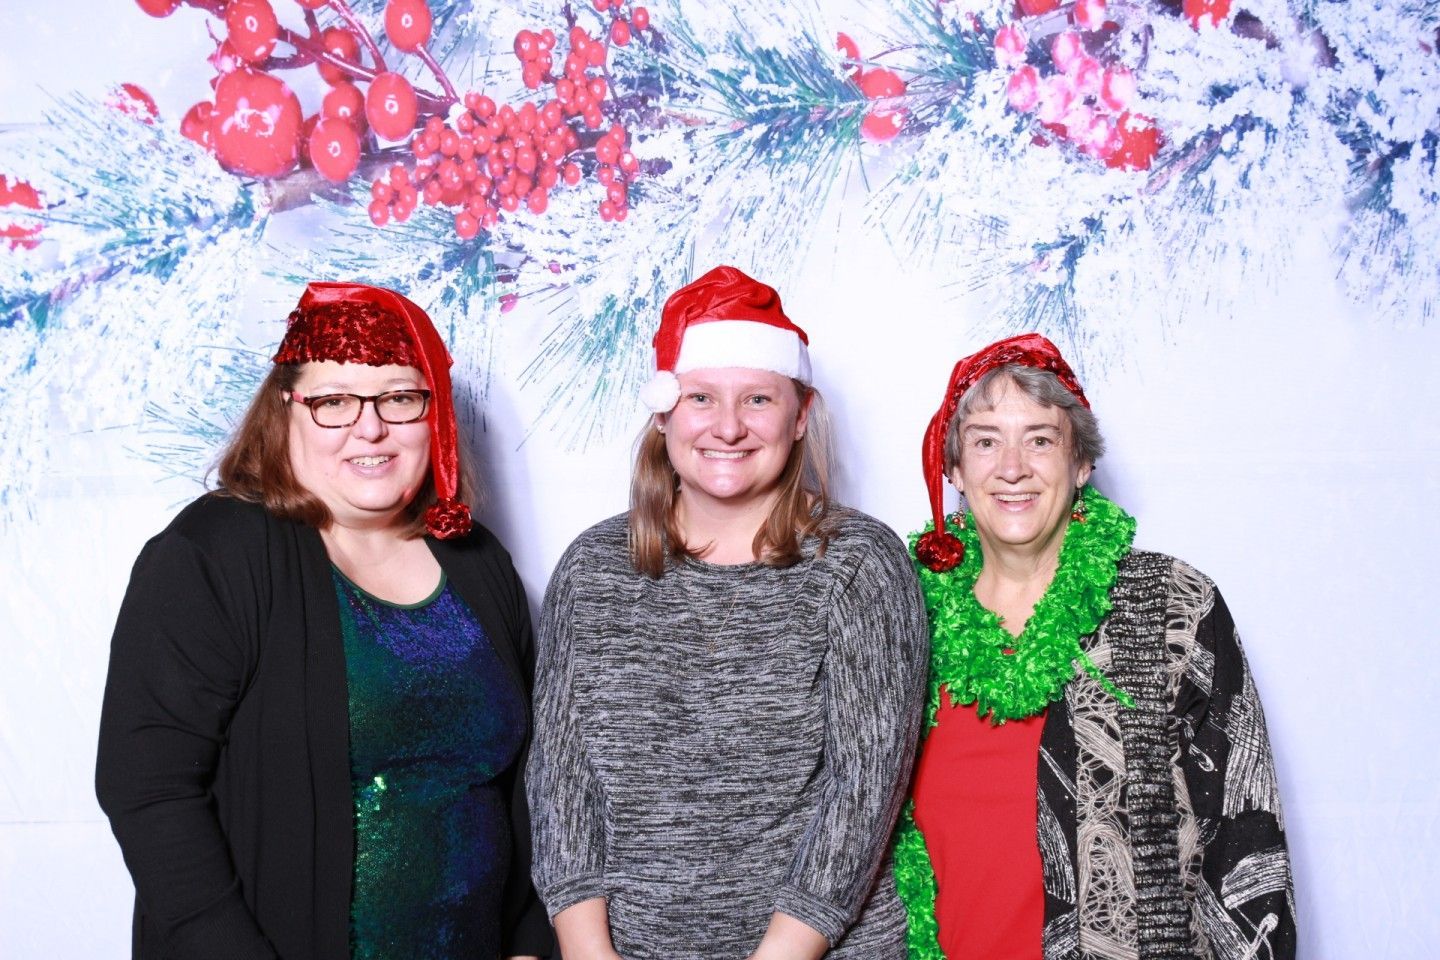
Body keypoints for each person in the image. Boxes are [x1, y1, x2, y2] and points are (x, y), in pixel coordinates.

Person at [96, 282, 552, 960]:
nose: (369, 428)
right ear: (286, 413)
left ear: (435, 416)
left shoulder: (479, 563)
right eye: (334, 401)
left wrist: (528, 941)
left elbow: (529, 784)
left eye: (399, 397)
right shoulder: (214, 554)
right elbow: (148, 788)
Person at [526, 265, 929, 960]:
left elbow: (864, 791)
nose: (729, 428)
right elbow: (562, 778)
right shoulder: (593, 567)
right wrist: (590, 953)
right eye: (702, 398)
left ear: (800, 416)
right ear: (663, 414)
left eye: (759, 400)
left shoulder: (860, 563)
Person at [894, 333, 1295, 959]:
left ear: (1081, 463)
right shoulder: (901, 611)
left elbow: (1246, 832)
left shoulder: (1172, 604)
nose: (1012, 467)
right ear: (953, 468)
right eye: (985, 440)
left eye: (1040, 439)